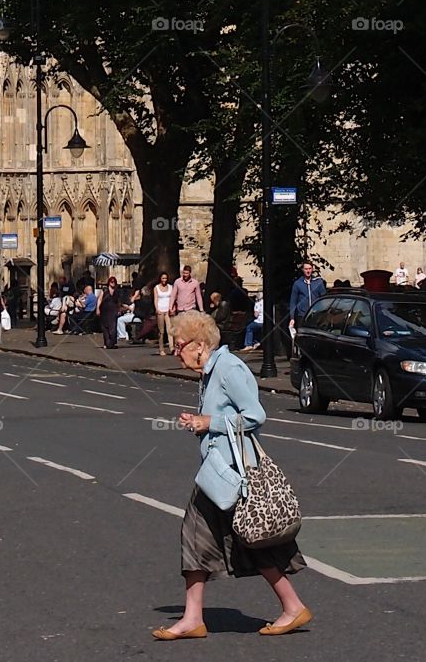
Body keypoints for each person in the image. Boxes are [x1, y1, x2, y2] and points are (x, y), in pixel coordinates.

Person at [151, 311, 311, 641]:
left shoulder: (229, 368)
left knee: (229, 538)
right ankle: (196, 617)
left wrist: (209, 423)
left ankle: (289, 607)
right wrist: (199, 421)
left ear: (199, 344)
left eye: (179, 345)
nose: (176, 353)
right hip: (216, 472)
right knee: (219, 539)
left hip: (231, 475)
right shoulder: (210, 373)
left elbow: (255, 416)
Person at [288, 262, 325, 334]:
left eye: (310, 269)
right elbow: (293, 301)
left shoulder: (318, 282)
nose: (308, 271)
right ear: (302, 270)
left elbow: (324, 299)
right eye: (306, 269)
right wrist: (292, 318)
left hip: (316, 315)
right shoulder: (297, 284)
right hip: (302, 315)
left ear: (312, 269)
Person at [97, 276, 122, 348]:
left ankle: (112, 343)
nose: (113, 283)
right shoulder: (104, 290)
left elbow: (118, 301)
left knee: (113, 327)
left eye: (114, 282)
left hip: (113, 310)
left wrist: (119, 309)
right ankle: (107, 343)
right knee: (105, 327)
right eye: (111, 281)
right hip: (105, 310)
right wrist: (97, 308)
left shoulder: (117, 291)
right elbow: (99, 299)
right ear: (109, 282)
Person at [154, 272, 175, 356]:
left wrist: (172, 308)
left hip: (168, 310)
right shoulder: (157, 288)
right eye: (163, 278)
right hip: (160, 310)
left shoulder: (170, 287)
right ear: (160, 279)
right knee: (161, 331)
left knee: (169, 329)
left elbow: (172, 298)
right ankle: (161, 348)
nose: (164, 280)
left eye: (165, 278)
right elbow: (155, 299)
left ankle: (172, 347)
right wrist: (157, 309)